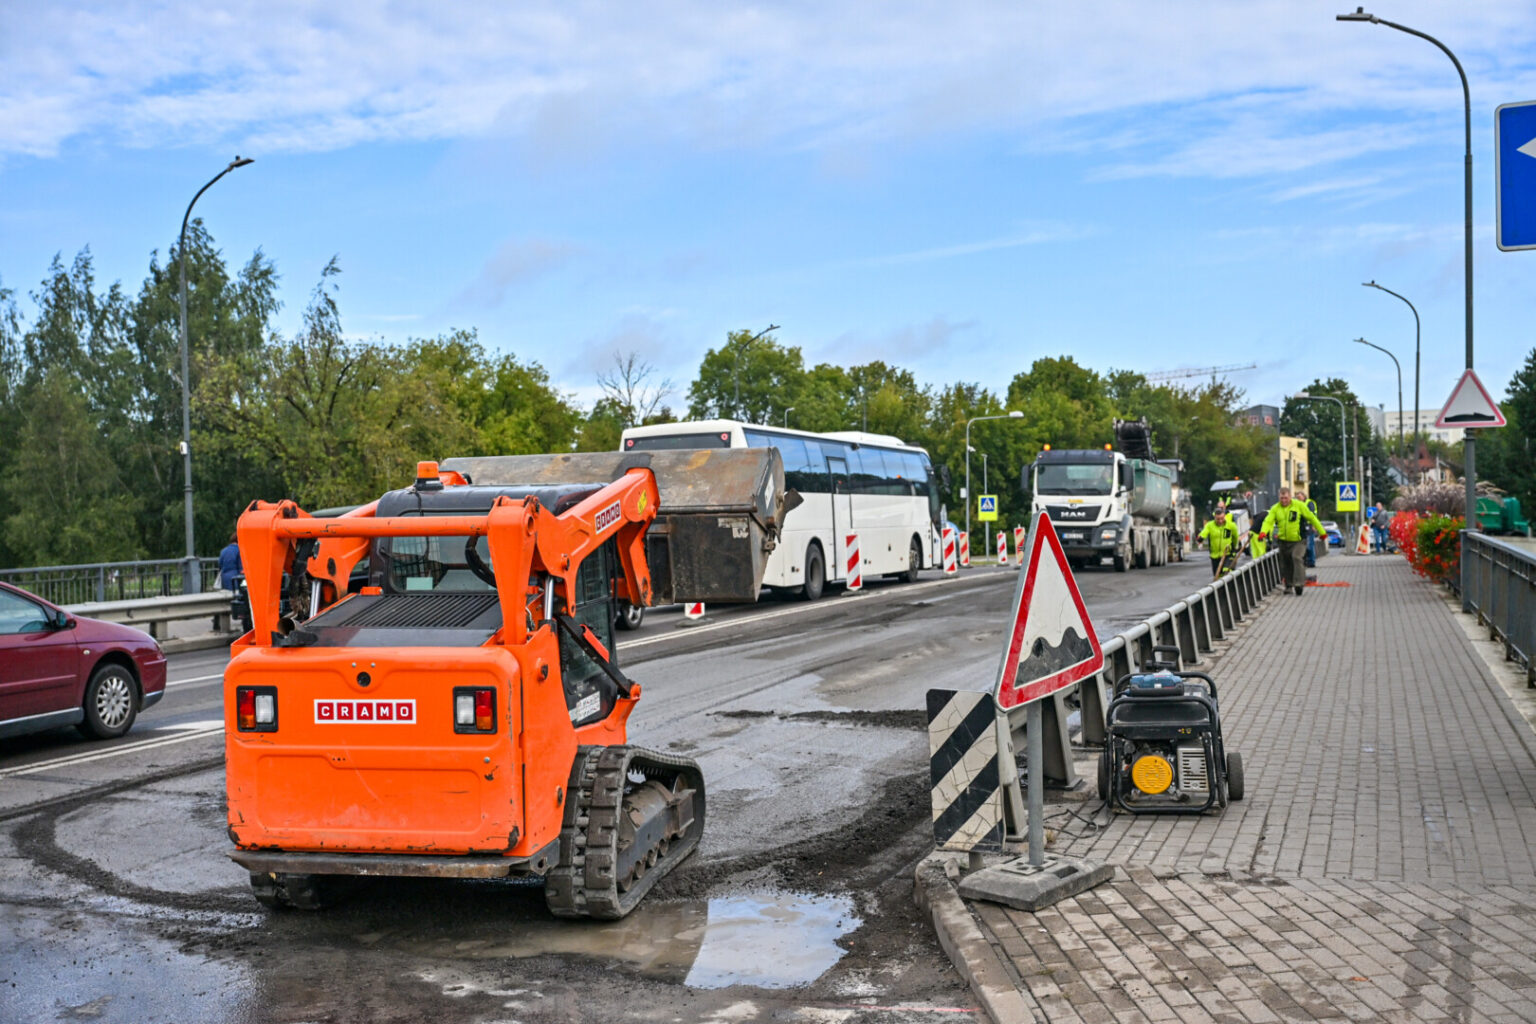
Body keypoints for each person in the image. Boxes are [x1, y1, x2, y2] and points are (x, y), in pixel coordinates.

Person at [1259, 488, 1325, 595]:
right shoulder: (1275, 508)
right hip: (1283, 541)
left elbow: (1312, 518)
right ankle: (1288, 585)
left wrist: (1322, 532)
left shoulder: (1299, 506)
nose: (1284, 500)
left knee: (1296, 558)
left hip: (1298, 540)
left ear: (1290, 497)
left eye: (1286, 498)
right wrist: (1263, 532)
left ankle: (1299, 584)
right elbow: (1268, 521)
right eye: (1281, 498)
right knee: (1286, 563)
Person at [1198, 507, 1241, 579]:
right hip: (1215, 556)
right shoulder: (1210, 525)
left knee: (1226, 572)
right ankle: (1221, 589)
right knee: (1217, 576)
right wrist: (1200, 538)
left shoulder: (1231, 525)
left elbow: (1235, 538)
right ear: (1215, 517)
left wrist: (1236, 547)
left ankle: (1229, 587)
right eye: (1218, 519)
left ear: (1224, 516)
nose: (1220, 521)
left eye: (1222, 518)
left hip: (1227, 554)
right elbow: (1204, 533)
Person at [1298, 490, 1317, 568]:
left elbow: (1312, 515)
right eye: (1297, 497)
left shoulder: (1309, 503)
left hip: (1309, 527)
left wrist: (1313, 525)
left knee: (1309, 545)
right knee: (1304, 546)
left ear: (1304, 496)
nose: (1298, 499)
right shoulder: (1299, 504)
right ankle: (1307, 561)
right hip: (1302, 528)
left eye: (1299, 497)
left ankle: (1311, 561)